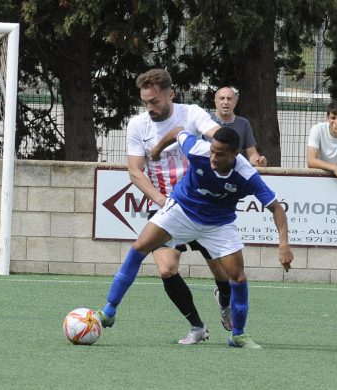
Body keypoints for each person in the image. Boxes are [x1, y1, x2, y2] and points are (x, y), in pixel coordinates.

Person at [97, 126, 294, 349]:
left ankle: (238, 335)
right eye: (212, 151)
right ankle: (109, 311)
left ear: (235, 154)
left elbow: (277, 209)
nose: (213, 157)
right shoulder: (197, 150)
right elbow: (178, 131)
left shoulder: (247, 175)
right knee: (139, 248)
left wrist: (284, 245)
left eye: (220, 154)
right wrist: (157, 149)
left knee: (237, 277)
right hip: (181, 210)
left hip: (218, 224)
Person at [126, 68, 232, 345]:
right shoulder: (137, 125)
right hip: (165, 207)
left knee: (224, 273)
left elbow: (216, 134)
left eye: (155, 101)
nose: (149, 108)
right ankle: (197, 327)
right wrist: (161, 200)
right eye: (145, 102)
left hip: (199, 204)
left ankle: (224, 297)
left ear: (170, 94)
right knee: (166, 269)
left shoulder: (191, 113)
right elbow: (136, 171)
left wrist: (222, 144)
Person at [210, 87, 267, 167]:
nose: (226, 102)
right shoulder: (206, 120)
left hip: (235, 172)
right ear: (215, 102)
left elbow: (251, 153)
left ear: (235, 102)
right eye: (222, 98)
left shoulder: (244, 123)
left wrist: (258, 161)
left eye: (229, 99)